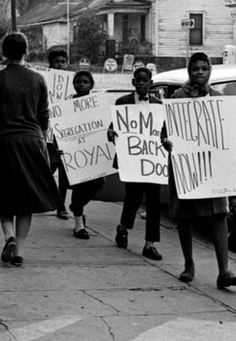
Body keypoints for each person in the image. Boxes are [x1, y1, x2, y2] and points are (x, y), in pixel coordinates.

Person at [160, 52, 236, 288]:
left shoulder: (218, 99)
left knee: (219, 214)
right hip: (186, 165)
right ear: (189, 71)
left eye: (204, 68)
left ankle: (224, 271)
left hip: (213, 165)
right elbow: (165, 132)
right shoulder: (176, 98)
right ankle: (189, 264)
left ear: (209, 71)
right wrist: (167, 142)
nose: (200, 72)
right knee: (185, 216)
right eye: (195, 68)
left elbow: (227, 133)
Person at [0, 32, 60, 267]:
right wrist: (43, 144)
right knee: (26, 199)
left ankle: (9, 237)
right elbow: (44, 117)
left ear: (3, 52)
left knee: (3, 195)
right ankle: (19, 252)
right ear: (26, 51)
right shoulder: (38, 79)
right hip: (32, 141)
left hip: (6, 141)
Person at [107, 67, 163, 260]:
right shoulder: (122, 102)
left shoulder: (158, 105)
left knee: (154, 202)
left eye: (144, 80)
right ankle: (123, 227)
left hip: (152, 160)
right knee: (133, 198)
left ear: (150, 83)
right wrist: (111, 133)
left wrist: (165, 142)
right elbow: (113, 128)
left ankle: (150, 243)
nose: (141, 83)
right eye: (138, 80)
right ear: (133, 82)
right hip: (132, 161)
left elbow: (162, 132)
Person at [66, 70, 106, 240]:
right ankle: (78, 225)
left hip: (94, 151)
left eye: (85, 82)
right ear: (74, 84)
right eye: (78, 82)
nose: (81, 85)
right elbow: (62, 128)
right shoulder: (66, 106)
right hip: (75, 153)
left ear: (91, 85)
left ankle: (76, 206)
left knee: (98, 184)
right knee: (79, 186)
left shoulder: (98, 104)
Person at [47, 48, 70, 219]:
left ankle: (61, 206)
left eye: (63, 62)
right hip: (48, 133)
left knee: (64, 172)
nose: (60, 65)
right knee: (47, 171)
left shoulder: (72, 82)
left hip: (66, 133)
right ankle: (46, 198)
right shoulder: (43, 80)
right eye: (57, 62)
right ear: (51, 64)